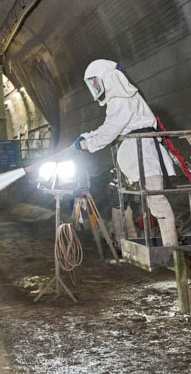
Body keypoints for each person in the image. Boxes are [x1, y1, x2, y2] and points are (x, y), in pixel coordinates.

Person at [74, 59, 180, 248]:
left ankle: (172, 247)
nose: (96, 87)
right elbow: (108, 127)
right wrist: (85, 137)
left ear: (107, 78)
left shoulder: (122, 100)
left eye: (97, 82)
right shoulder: (119, 100)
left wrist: (87, 145)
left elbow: (109, 133)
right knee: (154, 200)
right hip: (141, 155)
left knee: (157, 200)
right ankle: (169, 246)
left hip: (146, 155)